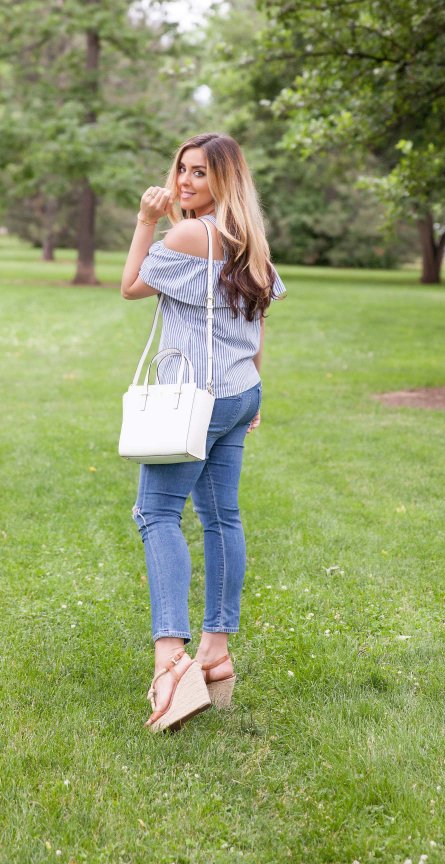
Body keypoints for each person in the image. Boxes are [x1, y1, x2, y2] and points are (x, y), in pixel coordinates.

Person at [120, 131, 286, 732]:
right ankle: (215, 654)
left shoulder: (190, 234)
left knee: (156, 513)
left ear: (224, 181)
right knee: (221, 517)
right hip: (240, 392)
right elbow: (259, 321)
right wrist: (254, 397)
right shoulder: (250, 241)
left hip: (201, 398)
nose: (186, 182)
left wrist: (145, 221)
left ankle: (171, 662)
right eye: (182, 171)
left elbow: (132, 285)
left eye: (200, 174)